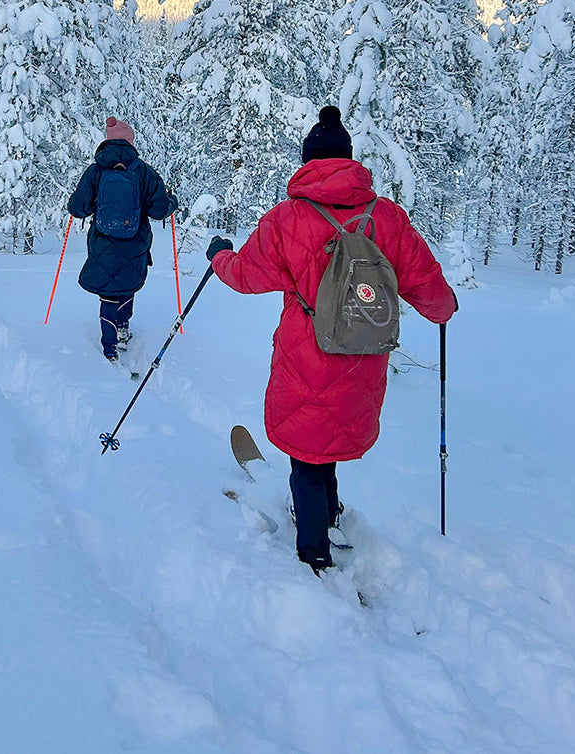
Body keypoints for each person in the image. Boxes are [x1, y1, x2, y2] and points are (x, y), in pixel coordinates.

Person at [205, 105, 457, 575]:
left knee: (306, 451)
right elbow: (428, 286)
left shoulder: (287, 218)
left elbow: (243, 276)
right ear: (348, 161)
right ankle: (331, 510)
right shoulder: (387, 218)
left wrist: (219, 255)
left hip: (307, 356)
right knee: (331, 438)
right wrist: (444, 309)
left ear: (307, 164)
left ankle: (314, 551)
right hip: (362, 359)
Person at [68, 117, 178, 363]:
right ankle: (123, 327)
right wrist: (172, 202)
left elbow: (78, 208)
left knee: (108, 291)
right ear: (130, 142)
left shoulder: (95, 171)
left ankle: (109, 348)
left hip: (102, 243)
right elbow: (159, 210)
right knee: (127, 284)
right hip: (135, 242)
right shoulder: (143, 171)